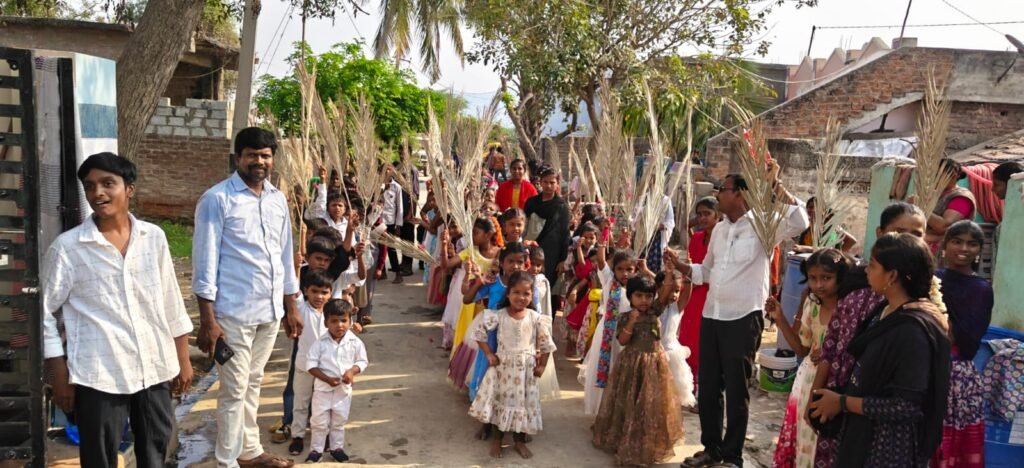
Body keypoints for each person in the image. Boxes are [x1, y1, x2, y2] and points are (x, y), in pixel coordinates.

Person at [41, 153, 193, 467]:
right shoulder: (68, 248)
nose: (98, 193)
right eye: (90, 186)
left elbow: (170, 300)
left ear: (130, 189)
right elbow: (44, 313)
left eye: (108, 183)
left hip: (153, 368)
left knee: (156, 454)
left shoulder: (153, 238)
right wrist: (59, 373)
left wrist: (182, 358)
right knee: (99, 459)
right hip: (99, 375)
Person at [671, 170, 809, 468]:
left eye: (723, 188)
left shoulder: (763, 224)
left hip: (743, 318)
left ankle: (732, 456)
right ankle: (711, 449)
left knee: (736, 389)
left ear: (739, 194)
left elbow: (801, 221)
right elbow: (707, 271)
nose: (717, 193)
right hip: (713, 314)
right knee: (708, 387)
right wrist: (681, 267)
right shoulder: (720, 230)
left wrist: (776, 185)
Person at [193, 127, 302, 468]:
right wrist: (208, 320)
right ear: (237, 158)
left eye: (265, 155)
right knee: (233, 389)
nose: (259, 161)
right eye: (252, 154)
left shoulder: (277, 199)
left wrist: (290, 305)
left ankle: (249, 451)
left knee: (252, 384)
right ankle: (226, 461)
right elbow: (204, 261)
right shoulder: (217, 199)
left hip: (268, 312)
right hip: (232, 314)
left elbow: (284, 255)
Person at [808, 233, 951, 468]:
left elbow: (906, 406)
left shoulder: (912, 331)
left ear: (892, 276)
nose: (866, 270)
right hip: (860, 434)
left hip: (887, 448)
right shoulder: (886, 310)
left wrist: (843, 402)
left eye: (873, 265)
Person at [767, 249, 850, 467]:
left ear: (840, 276)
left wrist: (830, 351)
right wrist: (780, 318)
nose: (819, 285)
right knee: (806, 444)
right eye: (813, 278)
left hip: (835, 385)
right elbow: (802, 349)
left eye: (826, 278)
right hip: (807, 383)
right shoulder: (812, 305)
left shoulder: (850, 306)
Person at [592, 276, 684, 465]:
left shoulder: (655, 311)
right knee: (630, 401)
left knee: (651, 403)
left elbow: (666, 292)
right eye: (639, 296)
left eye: (648, 296)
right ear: (630, 297)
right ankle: (625, 439)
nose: (644, 300)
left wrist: (669, 271)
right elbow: (622, 341)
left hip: (654, 363)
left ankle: (647, 440)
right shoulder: (625, 317)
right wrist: (632, 321)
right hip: (632, 364)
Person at [468, 271, 557, 460]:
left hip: (526, 373)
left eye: (526, 293)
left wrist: (542, 365)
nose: (521, 297)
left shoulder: (535, 317)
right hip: (503, 371)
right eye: (516, 292)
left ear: (532, 296)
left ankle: (519, 441)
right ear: (508, 294)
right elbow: (479, 332)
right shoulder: (499, 315)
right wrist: (489, 354)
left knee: (522, 406)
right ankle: (497, 440)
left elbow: (547, 344)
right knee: (500, 404)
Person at [933, 221, 992, 467]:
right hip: (925, 367)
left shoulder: (981, 289)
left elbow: (968, 340)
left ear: (979, 250)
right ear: (945, 245)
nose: (964, 248)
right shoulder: (933, 279)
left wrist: (939, 313)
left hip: (956, 377)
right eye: (957, 241)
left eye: (972, 244)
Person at [305, 300, 368, 463]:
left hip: (343, 391)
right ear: (326, 323)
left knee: (339, 420)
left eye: (344, 320)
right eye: (334, 321)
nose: (339, 325)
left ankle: (336, 448)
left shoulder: (355, 342)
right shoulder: (319, 344)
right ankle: (316, 450)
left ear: (350, 321)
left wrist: (352, 372)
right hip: (322, 391)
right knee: (319, 421)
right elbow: (310, 366)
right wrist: (326, 379)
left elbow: (362, 361)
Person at [581, 246, 639, 416]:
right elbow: (600, 260)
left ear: (635, 269)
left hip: (627, 336)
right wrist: (602, 241)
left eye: (629, 269)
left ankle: (618, 414)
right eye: (620, 269)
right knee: (607, 371)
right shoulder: (609, 281)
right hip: (607, 335)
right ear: (613, 269)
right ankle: (602, 412)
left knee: (622, 373)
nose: (625, 273)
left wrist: (645, 271)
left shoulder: (637, 288)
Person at [286, 270, 334, 456]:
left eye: (324, 292)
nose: (319, 296)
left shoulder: (332, 313)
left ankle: (325, 434)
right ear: (306, 290)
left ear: (330, 293)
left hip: (327, 368)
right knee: (301, 401)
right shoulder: (301, 308)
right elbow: (293, 286)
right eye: (315, 291)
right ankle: (297, 436)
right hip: (304, 366)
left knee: (324, 404)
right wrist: (297, 266)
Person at [677, 196, 720, 386]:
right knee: (689, 335)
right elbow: (692, 266)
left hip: (711, 293)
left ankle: (706, 383)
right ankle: (690, 382)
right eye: (700, 214)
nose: (703, 218)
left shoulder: (723, 240)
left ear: (718, 215)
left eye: (707, 214)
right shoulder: (696, 238)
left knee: (704, 338)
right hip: (693, 293)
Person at [523, 165, 571, 311]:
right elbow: (524, 224)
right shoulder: (532, 202)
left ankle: (546, 319)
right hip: (531, 248)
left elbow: (565, 232)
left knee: (547, 286)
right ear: (540, 182)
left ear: (557, 184)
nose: (549, 186)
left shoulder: (561, 206)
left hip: (552, 252)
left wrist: (563, 259)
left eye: (552, 182)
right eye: (546, 182)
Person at [653, 270, 697, 407]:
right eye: (670, 290)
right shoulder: (653, 308)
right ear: (658, 288)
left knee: (670, 395)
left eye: (677, 291)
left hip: (672, 355)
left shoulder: (677, 307)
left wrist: (687, 273)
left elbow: (687, 291)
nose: (674, 295)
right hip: (654, 353)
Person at [925, 159, 976, 252]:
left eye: (937, 175)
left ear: (953, 176)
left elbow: (943, 226)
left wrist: (920, 206)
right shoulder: (936, 194)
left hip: (945, 250)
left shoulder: (961, 198)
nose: (933, 179)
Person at [792, 197, 858, 254]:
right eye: (811, 207)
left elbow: (830, 250)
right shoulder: (805, 232)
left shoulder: (832, 229)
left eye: (817, 208)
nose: (814, 210)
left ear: (824, 212)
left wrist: (838, 254)